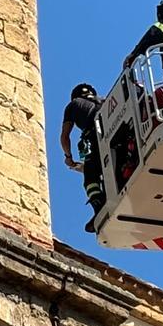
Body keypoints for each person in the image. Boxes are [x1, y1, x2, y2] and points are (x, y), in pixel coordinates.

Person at [60, 83, 107, 232]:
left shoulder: (73, 105)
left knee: (90, 177)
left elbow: (65, 136)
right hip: (115, 131)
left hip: (95, 135)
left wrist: (68, 157)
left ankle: (98, 207)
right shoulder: (104, 100)